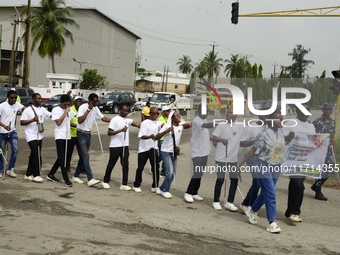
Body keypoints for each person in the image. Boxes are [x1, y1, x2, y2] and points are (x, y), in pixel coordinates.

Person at [236, 110, 286, 233]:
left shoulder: (281, 131)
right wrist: (241, 164)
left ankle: (253, 210)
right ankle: (271, 223)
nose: (281, 121)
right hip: (264, 166)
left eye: (282, 119)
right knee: (271, 194)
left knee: (267, 192)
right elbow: (253, 150)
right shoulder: (263, 134)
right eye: (279, 119)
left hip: (277, 166)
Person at [283, 104, 315, 222]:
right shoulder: (290, 123)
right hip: (291, 160)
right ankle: (295, 212)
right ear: (297, 111)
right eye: (303, 109)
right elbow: (280, 139)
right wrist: (288, 136)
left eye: (308, 109)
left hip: (305, 160)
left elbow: (314, 141)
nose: (306, 112)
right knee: (298, 185)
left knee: (296, 185)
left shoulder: (311, 126)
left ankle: (289, 211)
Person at [72, 93, 111, 187]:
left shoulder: (96, 108)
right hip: (81, 133)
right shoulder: (83, 107)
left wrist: (114, 120)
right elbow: (80, 120)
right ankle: (90, 179)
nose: (97, 103)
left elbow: (103, 118)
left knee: (83, 156)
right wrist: (89, 109)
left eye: (98, 101)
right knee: (86, 156)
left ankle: (76, 176)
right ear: (89, 101)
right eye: (95, 101)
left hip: (88, 134)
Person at [212, 108, 245, 211]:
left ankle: (229, 202)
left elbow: (243, 142)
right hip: (221, 158)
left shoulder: (241, 126)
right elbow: (213, 137)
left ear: (236, 114)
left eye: (231, 112)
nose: (228, 114)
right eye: (227, 112)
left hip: (232, 158)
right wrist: (221, 140)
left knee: (234, 180)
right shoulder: (222, 125)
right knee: (220, 180)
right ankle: (216, 201)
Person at [239, 107, 269, 215]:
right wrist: (255, 141)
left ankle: (245, 203)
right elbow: (242, 143)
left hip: (266, 159)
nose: (266, 116)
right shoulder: (250, 127)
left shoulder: (271, 127)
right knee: (257, 182)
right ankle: (250, 207)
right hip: (253, 157)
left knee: (259, 183)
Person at [102, 104, 140, 190]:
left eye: (127, 111)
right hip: (115, 146)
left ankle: (124, 184)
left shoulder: (127, 120)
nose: (126, 112)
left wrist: (142, 125)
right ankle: (105, 181)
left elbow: (136, 124)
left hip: (124, 146)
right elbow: (109, 132)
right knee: (111, 164)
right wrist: (121, 130)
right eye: (124, 111)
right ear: (120, 110)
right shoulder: (115, 120)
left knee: (125, 165)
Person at [155, 111, 191, 199]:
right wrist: (167, 131)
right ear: (172, 118)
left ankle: (161, 188)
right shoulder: (167, 126)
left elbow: (188, 125)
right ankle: (165, 190)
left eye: (179, 115)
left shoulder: (180, 126)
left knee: (173, 173)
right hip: (166, 151)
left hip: (174, 152)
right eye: (177, 115)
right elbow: (156, 137)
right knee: (170, 172)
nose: (179, 116)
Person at [184, 104, 214, 203]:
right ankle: (188, 192)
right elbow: (205, 126)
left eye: (208, 111)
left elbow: (205, 135)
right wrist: (218, 123)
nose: (207, 113)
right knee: (197, 172)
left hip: (204, 151)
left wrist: (217, 140)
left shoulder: (204, 119)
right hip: (196, 152)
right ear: (200, 111)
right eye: (205, 111)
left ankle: (194, 192)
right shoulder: (197, 120)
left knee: (200, 173)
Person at [20, 93, 51, 182]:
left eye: (41, 99)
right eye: (38, 99)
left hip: (39, 135)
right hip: (31, 135)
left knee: (34, 154)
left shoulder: (42, 109)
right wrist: (33, 120)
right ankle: (36, 175)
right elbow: (21, 122)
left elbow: (50, 115)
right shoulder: (28, 110)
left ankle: (28, 174)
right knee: (36, 154)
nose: (40, 100)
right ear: (33, 99)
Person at [47, 95, 76, 187]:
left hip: (67, 136)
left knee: (62, 157)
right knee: (62, 158)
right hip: (59, 136)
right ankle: (66, 180)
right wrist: (65, 112)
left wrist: (77, 126)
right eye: (64, 104)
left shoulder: (68, 109)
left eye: (68, 104)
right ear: (61, 102)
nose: (66, 106)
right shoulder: (56, 110)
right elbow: (58, 123)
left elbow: (68, 121)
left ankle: (51, 174)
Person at [133, 107, 163, 193]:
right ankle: (136, 185)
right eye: (154, 113)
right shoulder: (145, 123)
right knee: (140, 167)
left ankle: (155, 186)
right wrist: (150, 136)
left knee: (156, 168)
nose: (155, 115)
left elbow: (162, 125)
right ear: (150, 113)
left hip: (153, 148)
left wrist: (166, 127)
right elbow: (141, 136)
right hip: (143, 149)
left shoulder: (157, 122)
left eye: (157, 114)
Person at [311, 102, 336, 201]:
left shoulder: (332, 122)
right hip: (319, 149)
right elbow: (312, 136)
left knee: (330, 169)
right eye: (326, 109)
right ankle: (318, 192)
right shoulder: (316, 122)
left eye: (330, 109)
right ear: (323, 110)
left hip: (329, 149)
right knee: (319, 170)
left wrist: (334, 150)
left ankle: (317, 185)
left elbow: (333, 137)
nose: (329, 111)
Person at [0, 90, 26, 178]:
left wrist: (28, 112)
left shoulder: (17, 104)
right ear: (8, 97)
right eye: (12, 98)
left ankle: (10, 169)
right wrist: (4, 126)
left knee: (15, 149)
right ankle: (0, 169)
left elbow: (25, 109)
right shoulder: (2, 106)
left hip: (12, 131)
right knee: (1, 152)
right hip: (2, 132)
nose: (14, 99)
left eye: (15, 98)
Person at [157, 106, 171, 176]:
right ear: (163, 112)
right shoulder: (160, 119)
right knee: (163, 155)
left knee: (165, 155)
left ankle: (163, 170)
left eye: (169, 110)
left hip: (168, 139)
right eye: (167, 111)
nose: (168, 112)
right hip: (162, 139)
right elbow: (163, 128)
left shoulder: (170, 118)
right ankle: (155, 162)